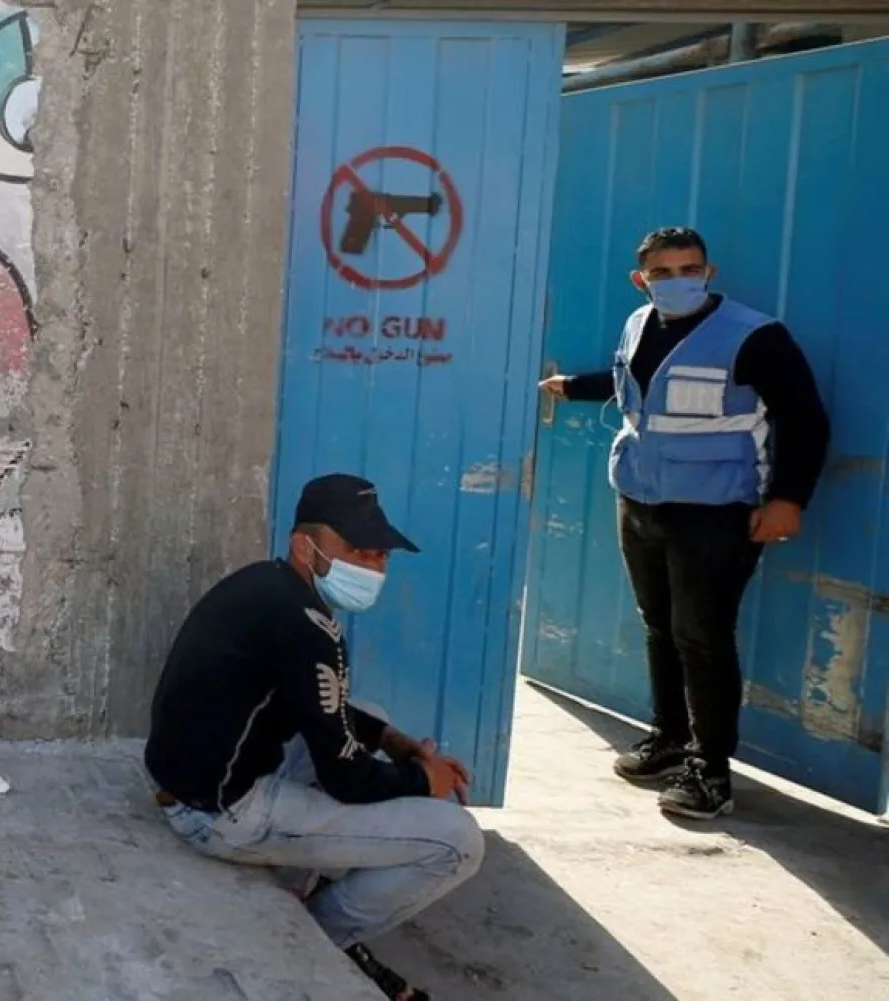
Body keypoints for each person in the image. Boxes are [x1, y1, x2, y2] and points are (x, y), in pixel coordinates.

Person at [144, 473, 483, 1001]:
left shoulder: (265, 584)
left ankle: (301, 879)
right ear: (305, 545)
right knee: (457, 841)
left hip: (191, 779)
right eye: (357, 550)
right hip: (219, 815)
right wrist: (422, 778)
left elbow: (306, 702)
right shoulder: (311, 630)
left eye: (380, 555)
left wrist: (391, 740)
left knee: (368, 714)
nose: (373, 566)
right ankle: (319, 937)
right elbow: (346, 779)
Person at [539, 226, 830, 821]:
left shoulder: (754, 336)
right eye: (663, 272)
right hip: (642, 499)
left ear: (709, 272)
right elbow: (635, 389)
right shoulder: (637, 323)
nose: (677, 281)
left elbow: (805, 418)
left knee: (702, 634)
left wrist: (788, 499)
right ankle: (670, 737)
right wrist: (572, 387)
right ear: (640, 279)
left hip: (716, 510)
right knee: (659, 626)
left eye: (688, 269)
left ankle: (711, 770)